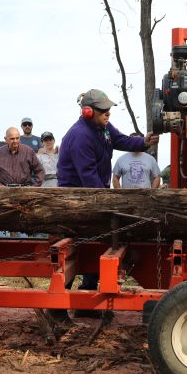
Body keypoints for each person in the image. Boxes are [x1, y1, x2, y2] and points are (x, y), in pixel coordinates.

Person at [53, 89, 158, 320]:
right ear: (88, 112)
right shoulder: (80, 136)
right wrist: (108, 202)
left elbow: (122, 140)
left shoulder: (103, 128)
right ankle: (56, 308)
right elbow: (87, 175)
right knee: (74, 252)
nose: (107, 113)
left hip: (94, 194)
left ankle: (86, 301)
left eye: (108, 109)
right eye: (103, 110)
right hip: (76, 199)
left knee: (95, 246)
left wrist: (143, 141)